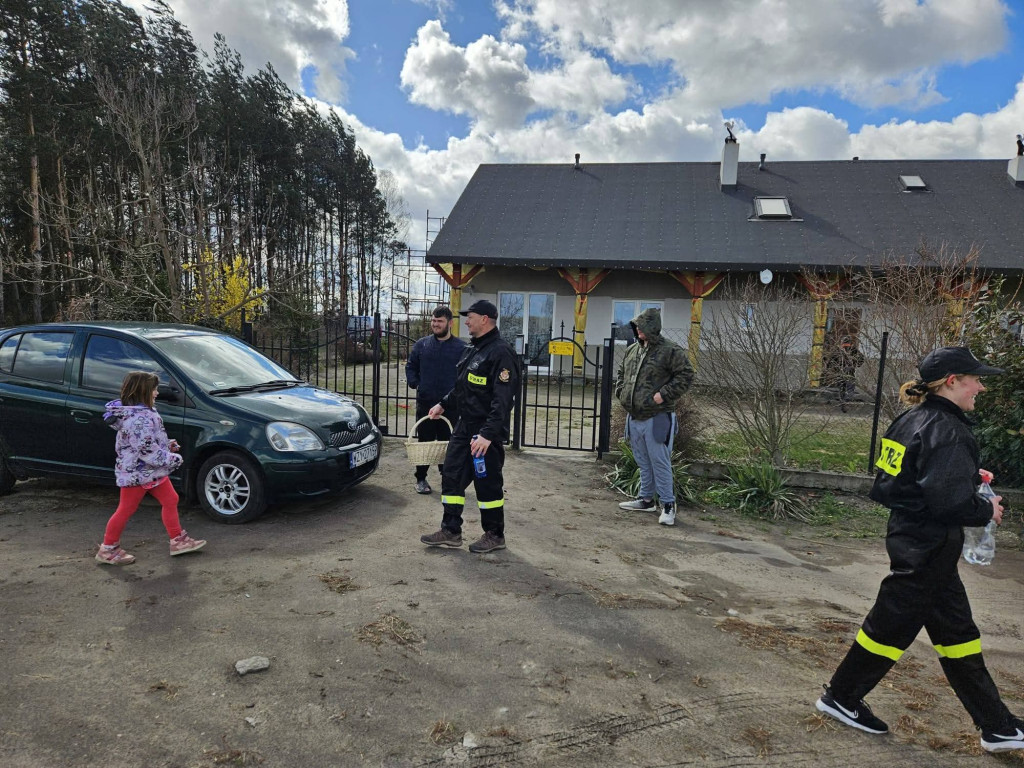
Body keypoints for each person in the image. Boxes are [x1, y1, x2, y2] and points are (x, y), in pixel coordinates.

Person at [815, 346, 1024, 753]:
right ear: (952, 382)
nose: (980, 386)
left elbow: (897, 480)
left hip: (914, 539)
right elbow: (949, 503)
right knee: (889, 626)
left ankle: (997, 726)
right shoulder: (949, 430)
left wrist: (965, 475)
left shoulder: (910, 419)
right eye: (975, 379)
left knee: (957, 634)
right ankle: (840, 697)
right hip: (928, 547)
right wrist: (987, 508)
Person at [420, 299, 520, 554]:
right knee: (451, 475)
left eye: (470, 317)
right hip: (464, 427)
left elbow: (503, 400)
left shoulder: (501, 353)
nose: (466, 321)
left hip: (485, 433)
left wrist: (487, 435)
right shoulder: (472, 350)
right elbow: (462, 387)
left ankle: (495, 534)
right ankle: (451, 530)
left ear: (484, 319)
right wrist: (443, 404)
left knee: (487, 485)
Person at [95, 371, 206, 565]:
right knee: (126, 509)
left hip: (149, 470)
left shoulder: (142, 414)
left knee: (170, 499)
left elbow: (148, 443)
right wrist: (173, 459)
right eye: (154, 389)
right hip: (138, 473)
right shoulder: (139, 418)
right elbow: (146, 449)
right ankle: (108, 548)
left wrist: (167, 445)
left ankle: (178, 540)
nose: (157, 393)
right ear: (143, 391)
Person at [613, 307, 695, 526]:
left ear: (652, 327)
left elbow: (687, 374)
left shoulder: (670, 351)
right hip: (635, 415)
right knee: (642, 460)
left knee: (659, 461)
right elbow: (622, 373)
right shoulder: (633, 350)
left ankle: (668, 505)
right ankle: (646, 499)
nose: (637, 329)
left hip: (658, 416)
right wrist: (621, 391)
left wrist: (662, 396)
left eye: (641, 326)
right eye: (636, 326)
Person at [405, 306, 466, 494]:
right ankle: (421, 479)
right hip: (426, 404)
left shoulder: (461, 348)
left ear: (450, 323)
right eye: (433, 321)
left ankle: (448, 479)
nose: (435, 324)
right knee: (425, 442)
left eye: (439, 321)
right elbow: (411, 367)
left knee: (450, 443)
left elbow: (465, 375)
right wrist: (416, 384)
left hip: (451, 406)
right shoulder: (422, 345)